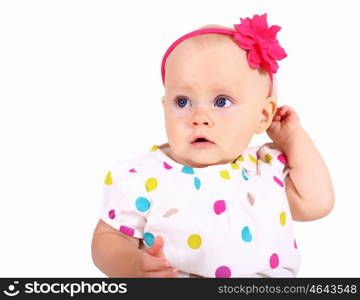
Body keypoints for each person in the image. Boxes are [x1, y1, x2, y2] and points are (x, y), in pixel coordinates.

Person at [91, 13, 335, 278]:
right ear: (165, 107)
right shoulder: (143, 176)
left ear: (262, 116)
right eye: (183, 102)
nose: (199, 118)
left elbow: (317, 203)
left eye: (221, 102)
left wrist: (293, 137)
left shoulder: (266, 168)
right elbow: (108, 238)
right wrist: (132, 266)